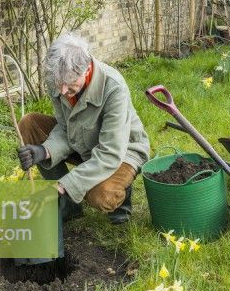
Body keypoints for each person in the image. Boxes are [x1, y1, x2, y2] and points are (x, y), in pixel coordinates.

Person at [17, 33, 150, 224]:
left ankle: (120, 195)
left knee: (101, 195)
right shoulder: (59, 78)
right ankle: (69, 206)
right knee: (29, 124)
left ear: (86, 70)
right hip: (82, 141)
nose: (62, 91)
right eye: (58, 84)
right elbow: (65, 127)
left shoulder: (114, 88)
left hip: (121, 152)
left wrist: (62, 186)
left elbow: (110, 153)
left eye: (69, 84)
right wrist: (44, 151)